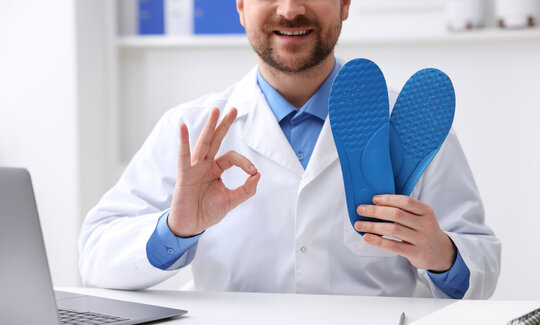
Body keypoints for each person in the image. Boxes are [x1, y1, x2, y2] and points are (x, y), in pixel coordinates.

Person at [79, 0, 500, 299]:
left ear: (345, 4)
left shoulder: (414, 127)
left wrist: (442, 254)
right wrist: (173, 230)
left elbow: (480, 258)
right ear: (241, 6)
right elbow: (95, 255)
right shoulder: (190, 129)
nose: (289, 9)